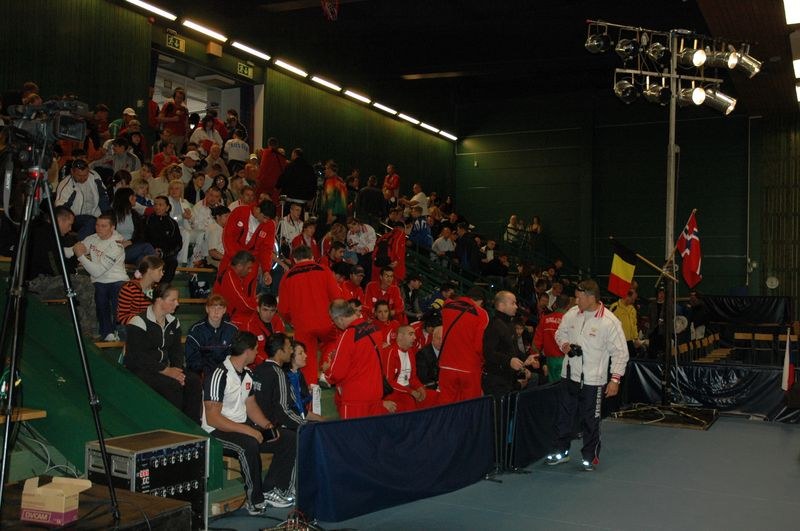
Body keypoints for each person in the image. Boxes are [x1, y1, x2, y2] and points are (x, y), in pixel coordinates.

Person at [201, 331, 295, 514]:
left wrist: (267, 425)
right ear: (247, 351)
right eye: (255, 350)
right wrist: (248, 430)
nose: (256, 354)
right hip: (216, 430)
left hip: (240, 426)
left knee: (289, 438)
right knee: (249, 445)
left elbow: (251, 405)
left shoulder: (248, 374)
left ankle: (273, 490)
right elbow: (213, 418)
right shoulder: (219, 374)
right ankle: (254, 500)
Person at [546, 280, 629, 471]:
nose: (576, 300)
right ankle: (561, 451)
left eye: (579, 297)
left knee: (590, 419)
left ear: (591, 297)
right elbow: (560, 334)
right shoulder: (572, 313)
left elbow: (620, 353)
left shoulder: (609, 321)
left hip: (593, 380)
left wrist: (615, 379)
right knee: (563, 416)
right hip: (569, 376)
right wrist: (565, 345)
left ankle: (590, 456)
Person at [125, 283, 203, 423]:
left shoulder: (173, 322)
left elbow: (176, 351)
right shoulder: (138, 322)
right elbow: (138, 357)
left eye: (177, 300)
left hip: (164, 368)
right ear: (159, 300)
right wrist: (166, 371)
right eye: (172, 300)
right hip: (142, 370)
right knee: (171, 385)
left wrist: (177, 371)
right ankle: (174, 426)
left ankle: (193, 426)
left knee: (193, 381)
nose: (177, 303)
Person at [277, 245, 341, 385]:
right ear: (312, 257)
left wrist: (292, 321)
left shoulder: (287, 276)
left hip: (302, 325)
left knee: (306, 359)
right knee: (334, 341)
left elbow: (283, 309)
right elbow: (337, 298)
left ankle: (310, 397)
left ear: (294, 259)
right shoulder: (323, 269)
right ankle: (326, 371)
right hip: (326, 322)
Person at [324, 300, 396, 419]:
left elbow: (337, 373)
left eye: (333, 320)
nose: (334, 323)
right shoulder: (375, 328)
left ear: (339, 318)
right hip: (376, 392)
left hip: (355, 397)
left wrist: (327, 371)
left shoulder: (347, 335)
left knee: (352, 435)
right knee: (371, 434)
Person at [69, 215, 129, 341]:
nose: (99, 228)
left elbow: (97, 271)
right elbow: (73, 250)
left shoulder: (117, 244)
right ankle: (107, 333)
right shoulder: (92, 238)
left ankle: (120, 330)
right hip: (99, 280)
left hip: (118, 279)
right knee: (99, 293)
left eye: (103, 226)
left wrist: (81, 257)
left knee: (118, 291)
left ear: (112, 227)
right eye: (97, 225)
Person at [437, 287, 489, 404]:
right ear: (480, 301)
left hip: (446, 366)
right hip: (469, 368)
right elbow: (478, 346)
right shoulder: (481, 314)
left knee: (445, 405)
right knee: (469, 407)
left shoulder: (447, 306)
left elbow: (449, 300)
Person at [482, 291, 537, 397]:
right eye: (513, 303)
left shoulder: (510, 325)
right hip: (496, 380)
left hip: (508, 379)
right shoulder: (494, 326)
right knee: (498, 412)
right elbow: (488, 352)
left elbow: (513, 350)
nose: (516, 307)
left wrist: (525, 360)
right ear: (502, 305)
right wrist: (509, 361)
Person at [252, 333, 308, 431]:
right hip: (272, 428)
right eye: (289, 347)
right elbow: (283, 410)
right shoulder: (278, 373)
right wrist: (304, 425)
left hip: (258, 424)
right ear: (279, 352)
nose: (291, 351)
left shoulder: (258, 369)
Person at [382, 325, 433, 411]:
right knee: (409, 403)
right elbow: (389, 383)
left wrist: (420, 388)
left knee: (434, 397)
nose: (414, 337)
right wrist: (411, 392)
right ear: (400, 336)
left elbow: (412, 378)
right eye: (411, 334)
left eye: (414, 334)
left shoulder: (410, 352)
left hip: (408, 389)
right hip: (394, 392)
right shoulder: (390, 352)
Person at [185, 294, 239, 376]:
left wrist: (223, 371)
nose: (216, 312)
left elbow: (235, 355)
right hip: (203, 373)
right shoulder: (196, 330)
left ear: (224, 310)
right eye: (213, 307)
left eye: (220, 308)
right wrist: (209, 370)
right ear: (207, 309)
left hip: (226, 373)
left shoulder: (233, 330)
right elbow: (192, 359)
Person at [241, 293, 287, 368]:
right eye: (265, 310)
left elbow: (283, 345)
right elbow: (250, 352)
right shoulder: (249, 325)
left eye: (272, 310)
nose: (269, 314)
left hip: (277, 363)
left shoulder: (278, 321)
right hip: (257, 367)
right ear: (258, 309)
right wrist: (270, 363)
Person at [214, 250, 258, 326]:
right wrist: (259, 306)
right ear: (239, 266)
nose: (250, 271)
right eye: (248, 268)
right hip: (223, 320)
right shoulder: (230, 276)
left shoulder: (232, 275)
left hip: (225, 317)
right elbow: (242, 303)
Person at [285, 341, 325, 424]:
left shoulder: (298, 373)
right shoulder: (287, 376)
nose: (305, 356)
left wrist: (308, 391)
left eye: (304, 352)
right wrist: (320, 419)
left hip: (299, 416)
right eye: (300, 353)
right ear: (291, 356)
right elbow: (296, 408)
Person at [117, 255, 164, 326]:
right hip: (130, 328)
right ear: (149, 270)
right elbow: (122, 317)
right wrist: (143, 321)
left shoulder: (155, 289)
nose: (162, 274)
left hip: (148, 327)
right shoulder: (129, 288)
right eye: (159, 270)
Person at [534, 294, 571, 383]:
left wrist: (535, 357)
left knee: (552, 386)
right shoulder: (569, 320)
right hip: (565, 359)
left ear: (555, 304)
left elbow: (537, 341)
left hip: (550, 360)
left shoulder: (545, 319)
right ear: (568, 306)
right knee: (563, 387)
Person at [610, 289, 641, 358]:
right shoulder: (615, 307)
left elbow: (634, 325)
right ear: (627, 296)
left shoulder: (632, 309)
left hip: (630, 341)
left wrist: (636, 338)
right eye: (632, 299)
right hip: (618, 341)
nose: (633, 301)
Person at [416, 325, 442, 390]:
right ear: (433, 338)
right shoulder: (422, 354)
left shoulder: (450, 351)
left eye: (444, 338)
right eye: (439, 338)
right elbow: (423, 378)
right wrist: (437, 386)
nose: (441, 341)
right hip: (432, 389)